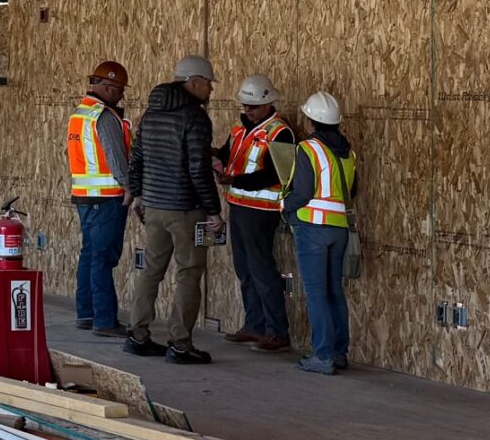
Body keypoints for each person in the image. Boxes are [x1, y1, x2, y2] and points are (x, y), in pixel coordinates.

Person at [123, 54, 220, 364]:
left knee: (151, 270)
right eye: (208, 84)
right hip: (185, 209)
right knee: (189, 272)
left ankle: (137, 335)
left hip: (153, 206)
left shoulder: (151, 114)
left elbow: (136, 159)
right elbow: (198, 168)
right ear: (193, 82)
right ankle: (180, 344)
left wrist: (137, 194)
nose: (211, 91)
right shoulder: (194, 117)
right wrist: (213, 209)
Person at [219, 75, 295, 353]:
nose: (247, 110)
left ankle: (277, 332)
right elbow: (228, 157)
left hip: (261, 210)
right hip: (239, 205)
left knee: (262, 270)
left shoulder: (280, 132)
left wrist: (235, 181)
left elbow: (277, 174)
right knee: (245, 268)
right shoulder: (241, 128)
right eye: (245, 105)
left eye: (253, 106)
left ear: (268, 103)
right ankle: (255, 325)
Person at [283, 91, 357, 375]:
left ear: (311, 120)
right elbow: (352, 191)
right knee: (334, 291)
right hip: (339, 229)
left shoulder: (309, 149)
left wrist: (284, 208)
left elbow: (302, 192)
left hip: (311, 227)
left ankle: (322, 356)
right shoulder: (349, 152)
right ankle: (339, 353)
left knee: (315, 294)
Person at [64, 60, 132, 334]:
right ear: (106, 86)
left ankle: (87, 314)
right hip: (107, 198)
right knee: (103, 259)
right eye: (118, 89)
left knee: (90, 255)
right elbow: (116, 159)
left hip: (84, 196)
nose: (122, 95)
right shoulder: (103, 116)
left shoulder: (80, 113)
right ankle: (104, 320)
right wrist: (130, 187)